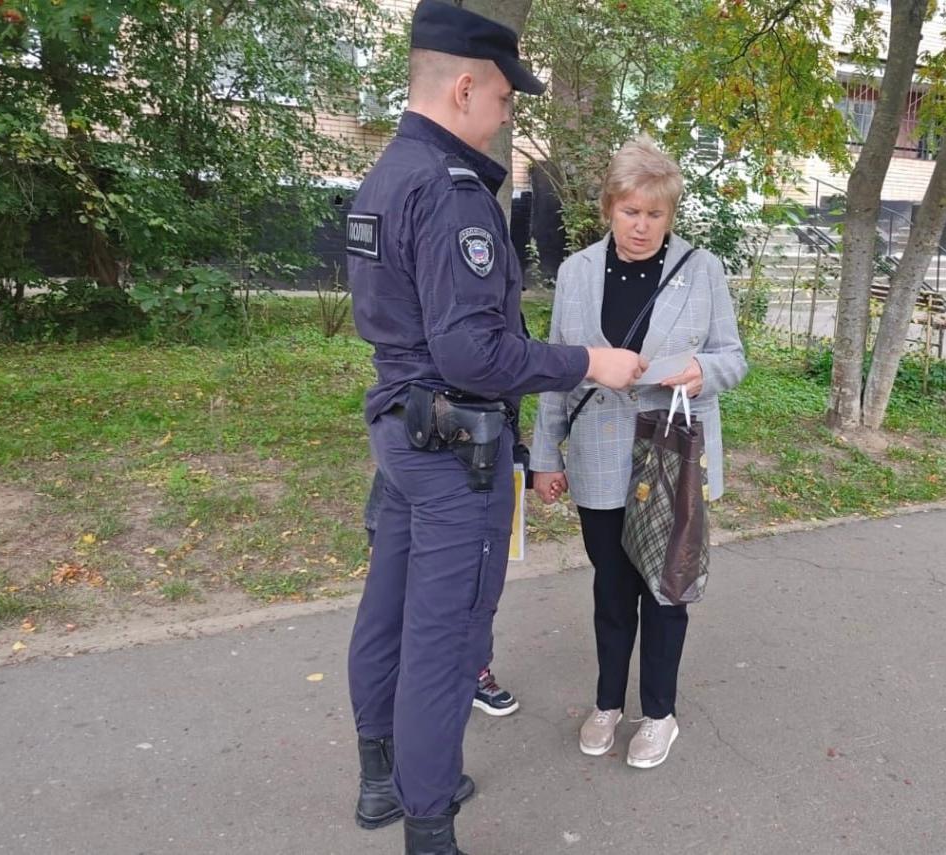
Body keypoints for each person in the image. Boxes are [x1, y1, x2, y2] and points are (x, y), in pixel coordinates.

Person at [344, 2, 647, 852]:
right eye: (507, 99)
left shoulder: (386, 175)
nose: (508, 114)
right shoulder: (453, 196)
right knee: (443, 641)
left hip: (401, 433)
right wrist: (588, 361)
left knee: (388, 612)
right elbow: (476, 353)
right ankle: (428, 822)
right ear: (467, 85)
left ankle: (382, 782)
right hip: (452, 451)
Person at [530, 136, 748, 771]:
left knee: (666, 588)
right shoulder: (574, 274)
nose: (643, 226)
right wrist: (547, 456)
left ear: (670, 214)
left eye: (656, 213)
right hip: (598, 456)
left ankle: (659, 714)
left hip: (670, 455)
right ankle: (606, 703)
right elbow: (556, 375)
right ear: (608, 209)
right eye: (631, 212)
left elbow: (733, 357)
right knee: (611, 588)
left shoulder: (702, 269)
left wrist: (698, 371)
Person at [363, 471, 519, 717]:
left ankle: (473, 671)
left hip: (473, 487)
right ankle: (401, 688)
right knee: (394, 605)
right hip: (407, 495)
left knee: (473, 592)